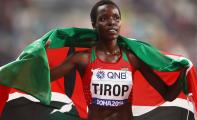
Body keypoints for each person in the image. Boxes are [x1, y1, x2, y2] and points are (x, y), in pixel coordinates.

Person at [49, 0, 183, 120]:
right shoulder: (83, 59)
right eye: (103, 18)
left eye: (116, 18)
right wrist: (39, 55)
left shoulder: (132, 59)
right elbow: (44, 78)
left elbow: (168, 95)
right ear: (94, 24)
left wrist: (184, 72)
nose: (111, 22)